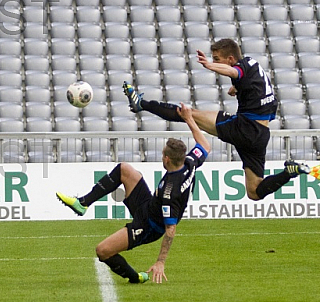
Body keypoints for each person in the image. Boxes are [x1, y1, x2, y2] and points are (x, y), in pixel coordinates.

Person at [122, 38, 310, 201]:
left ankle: (142, 104)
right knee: (254, 191)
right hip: (260, 135)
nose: (215, 63)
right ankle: (288, 173)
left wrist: (210, 66)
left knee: (188, 113)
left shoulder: (240, 68)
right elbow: (255, 90)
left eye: (217, 60)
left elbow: (234, 73)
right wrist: (237, 88)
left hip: (245, 127)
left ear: (230, 59)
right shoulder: (254, 66)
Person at [57, 104, 210, 284]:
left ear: (167, 159)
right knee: (124, 169)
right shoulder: (190, 162)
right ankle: (83, 203)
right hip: (148, 205)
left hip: (148, 226)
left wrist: (161, 261)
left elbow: (170, 229)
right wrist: (189, 119)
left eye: (162, 155)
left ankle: (134, 277)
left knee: (103, 250)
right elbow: (205, 144)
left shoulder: (170, 192)